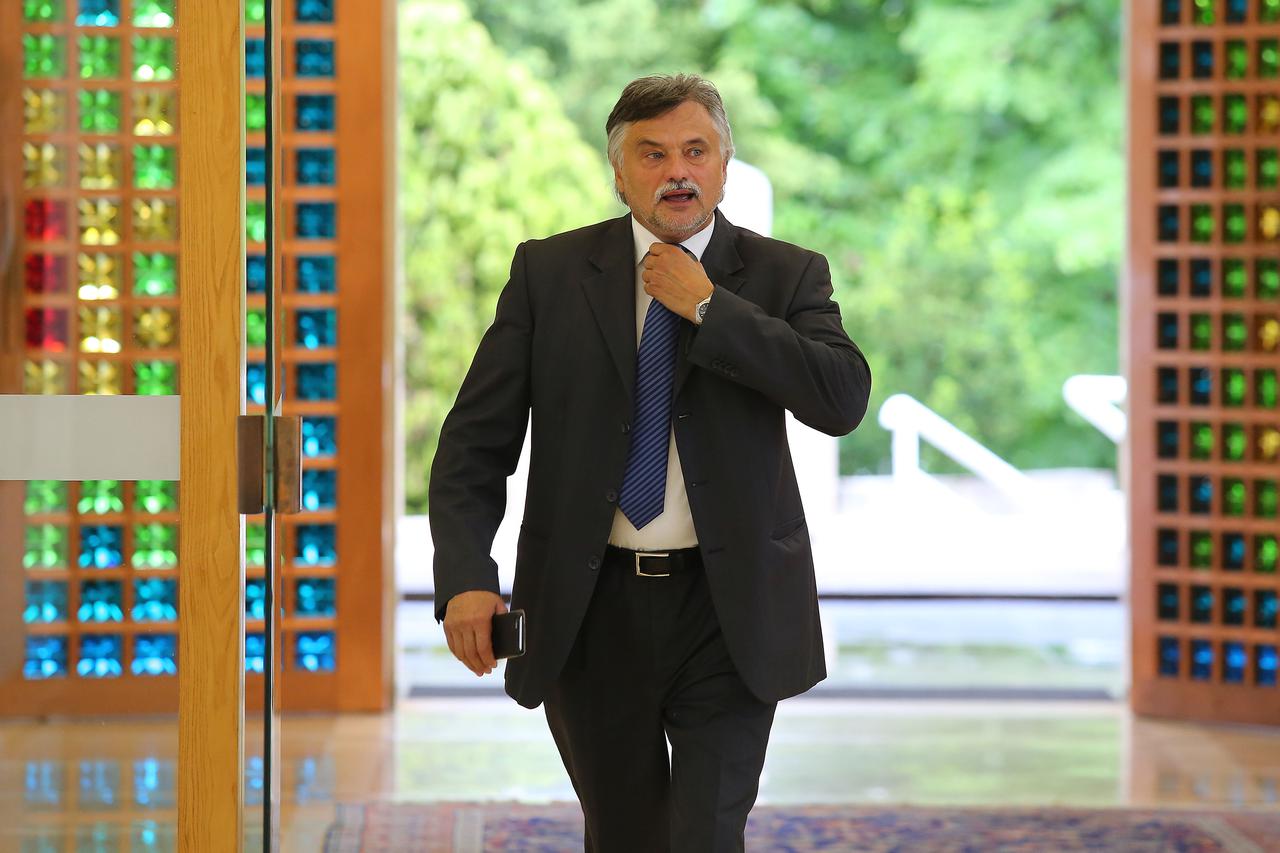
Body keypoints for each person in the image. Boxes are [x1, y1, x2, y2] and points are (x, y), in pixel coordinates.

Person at [429, 73, 872, 852]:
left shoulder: (786, 274)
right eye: (653, 153)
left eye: (696, 151)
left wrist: (709, 307)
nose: (677, 171)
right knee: (624, 833)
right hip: (590, 606)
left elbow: (840, 398)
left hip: (729, 607)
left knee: (707, 833)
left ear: (724, 165)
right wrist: (466, 574)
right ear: (619, 171)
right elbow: (473, 442)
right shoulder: (548, 274)